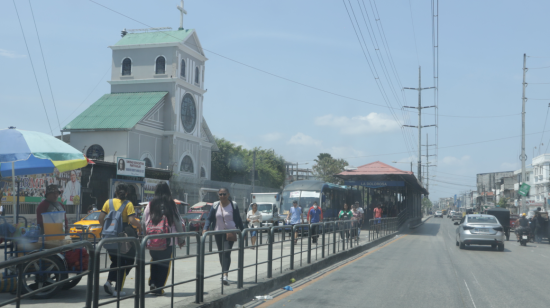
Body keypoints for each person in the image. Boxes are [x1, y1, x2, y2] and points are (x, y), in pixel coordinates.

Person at [98, 183, 142, 297]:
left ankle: (109, 282)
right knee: (127, 261)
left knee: (116, 261)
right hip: (124, 234)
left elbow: (100, 219)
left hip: (110, 235)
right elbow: (132, 220)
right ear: (127, 193)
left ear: (116, 192)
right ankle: (117, 290)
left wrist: (107, 229)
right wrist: (140, 226)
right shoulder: (128, 204)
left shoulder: (108, 202)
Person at [142, 182, 185, 296]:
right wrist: (181, 239)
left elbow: (143, 222)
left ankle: (153, 283)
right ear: (168, 191)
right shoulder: (171, 204)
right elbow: (178, 223)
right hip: (167, 241)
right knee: (164, 265)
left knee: (155, 262)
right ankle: (159, 288)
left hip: (152, 239)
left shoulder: (150, 204)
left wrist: (144, 238)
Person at [203, 188, 244, 286]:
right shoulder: (215, 205)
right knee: (221, 253)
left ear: (228, 194)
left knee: (226, 252)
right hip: (218, 232)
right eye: (220, 194)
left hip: (231, 232)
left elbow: (238, 219)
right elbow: (209, 218)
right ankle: (224, 272)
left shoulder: (233, 205)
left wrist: (243, 231)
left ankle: (225, 275)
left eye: (224, 194)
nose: (222, 196)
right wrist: (205, 228)